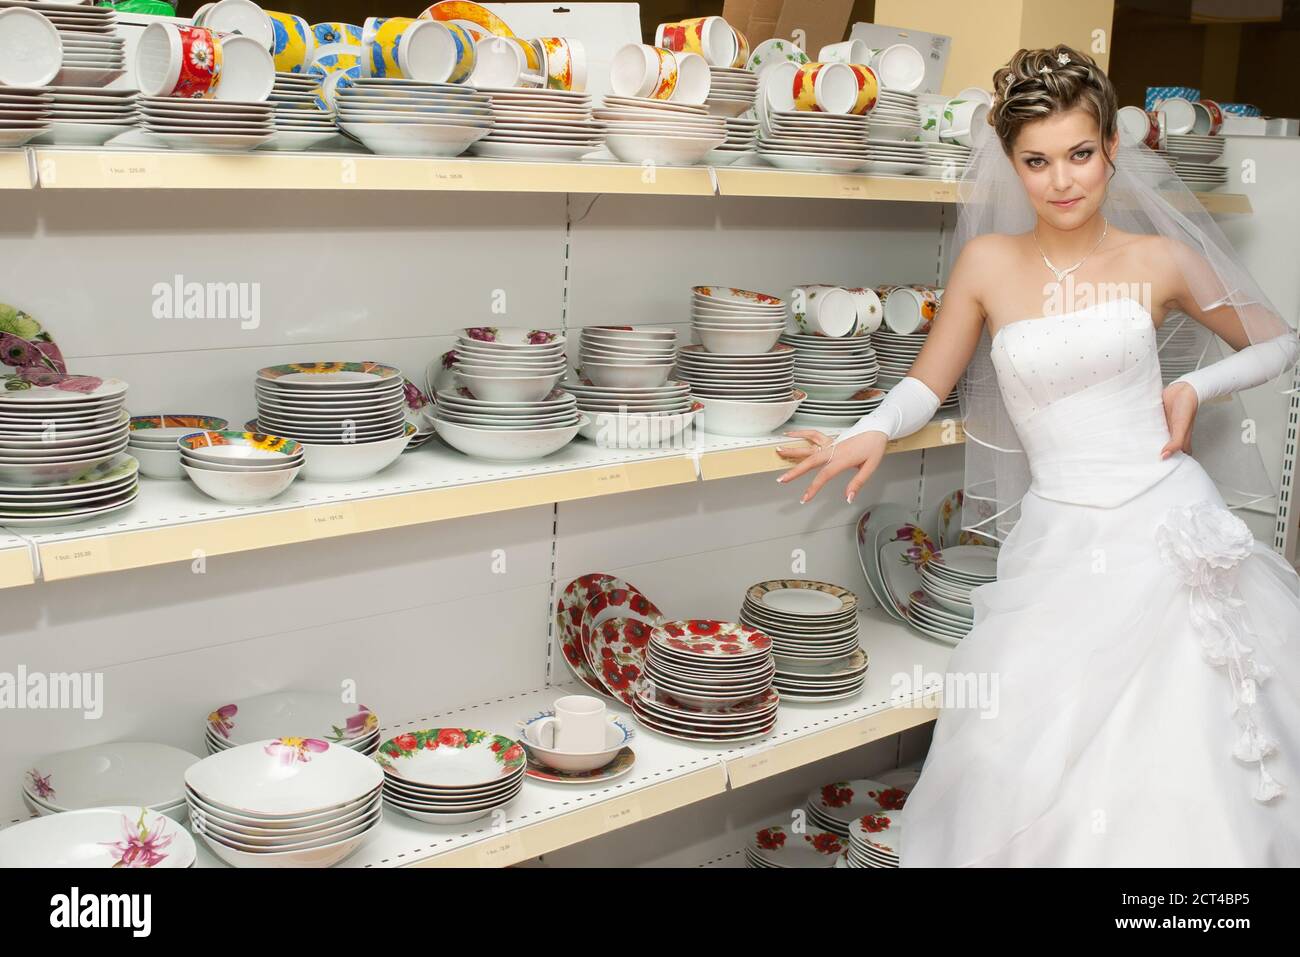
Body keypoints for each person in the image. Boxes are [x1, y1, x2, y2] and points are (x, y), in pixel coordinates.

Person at [776, 44, 1300, 866]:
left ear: (1111, 151)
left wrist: (1198, 389)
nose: (1062, 181)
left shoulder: (1155, 258)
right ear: (1012, 166)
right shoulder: (988, 263)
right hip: (1059, 539)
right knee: (1005, 758)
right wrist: (863, 432)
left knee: (1178, 772)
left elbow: (1277, 341)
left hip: (1166, 527)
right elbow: (926, 380)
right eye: (1038, 161)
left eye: (1080, 155)